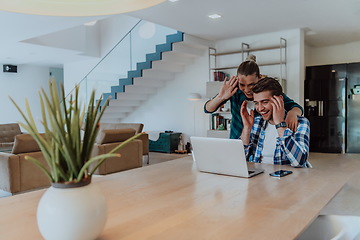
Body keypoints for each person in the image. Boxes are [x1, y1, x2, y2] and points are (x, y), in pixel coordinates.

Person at [204, 55, 303, 139]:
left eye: (251, 84)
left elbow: (297, 107)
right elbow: (207, 109)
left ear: (259, 77)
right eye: (242, 85)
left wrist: (292, 112)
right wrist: (221, 97)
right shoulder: (233, 90)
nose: (247, 90)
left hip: (259, 142)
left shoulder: (267, 91)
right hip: (238, 139)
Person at [240, 77, 311, 167]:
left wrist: (280, 124)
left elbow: (300, 162)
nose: (260, 108)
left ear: (279, 99)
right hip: (260, 178)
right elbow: (241, 159)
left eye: (265, 102)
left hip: (288, 179)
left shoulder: (301, 123)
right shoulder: (257, 122)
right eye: (256, 103)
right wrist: (246, 128)